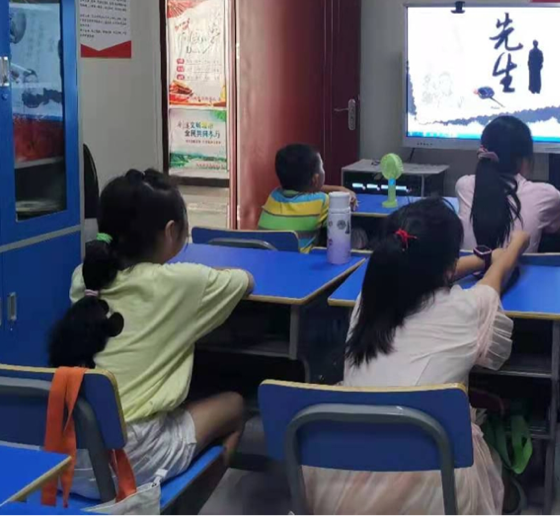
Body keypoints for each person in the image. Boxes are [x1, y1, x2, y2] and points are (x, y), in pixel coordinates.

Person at [302, 199, 529, 515]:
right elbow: (494, 281)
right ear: (447, 265)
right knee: (476, 447)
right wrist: (514, 245)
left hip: (341, 481)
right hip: (431, 491)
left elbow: (419, 273)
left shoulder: (368, 302)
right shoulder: (465, 310)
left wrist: (477, 259)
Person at [48, 169, 254, 499]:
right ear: (171, 231)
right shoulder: (183, 283)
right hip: (128, 459)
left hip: (65, 454)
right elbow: (246, 280)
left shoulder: (84, 280)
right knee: (235, 406)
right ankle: (183, 506)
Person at [457, 115, 560, 252]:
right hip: (518, 266)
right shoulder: (547, 195)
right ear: (523, 159)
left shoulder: (463, 185)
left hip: (469, 266)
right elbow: (555, 229)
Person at [258, 143, 356, 251]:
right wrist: (348, 195)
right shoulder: (321, 201)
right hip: (299, 260)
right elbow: (345, 213)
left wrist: (338, 188)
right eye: (322, 167)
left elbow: (307, 188)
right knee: (359, 234)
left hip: (268, 258)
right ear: (315, 179)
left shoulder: (274, 196)